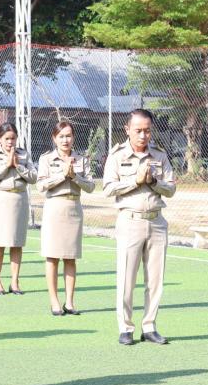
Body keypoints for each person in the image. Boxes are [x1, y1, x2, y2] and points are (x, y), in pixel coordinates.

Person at [103, 109, 175, 346]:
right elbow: (108, 188)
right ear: (127, 130)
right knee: (127, 278)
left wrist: (153, 181)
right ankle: (125, 327)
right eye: (138, 131)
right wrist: (135, 180)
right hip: (130, 220)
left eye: (147, 130)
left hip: (156, 221)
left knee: (155, 280)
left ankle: (149, 326)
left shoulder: (160, 155)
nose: (143, 135)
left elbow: (171, 189)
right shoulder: (117, 156)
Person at [36, 121, 95, 316]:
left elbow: (91, 186)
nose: (65, 140)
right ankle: (54, 301)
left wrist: (75, 177)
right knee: (52, 257)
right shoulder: (46, 159)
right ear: (54, 138)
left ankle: (69, 302)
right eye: (61, 136)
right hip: (54, 207)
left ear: (74, 137)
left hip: (74, 208)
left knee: (70, 258)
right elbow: (40, 186)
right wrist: (62, 175)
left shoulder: (81, 159)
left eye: (68, 136)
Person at [0, 122, 37, 296]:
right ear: (0, 138)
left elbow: (33, 177)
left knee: (16, 243)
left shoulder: (24, 154)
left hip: (19, 200)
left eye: (13, 138)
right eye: (6, 138)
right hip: (0, 200)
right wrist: (6, 166)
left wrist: (18, 166)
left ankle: (14, 281)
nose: (10, 142)